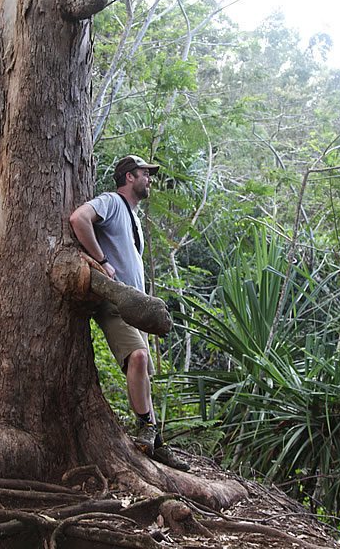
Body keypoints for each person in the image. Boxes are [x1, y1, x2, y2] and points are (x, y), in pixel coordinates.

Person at [69, 155, 190, 471]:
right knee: (137, 358)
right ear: (129, 177)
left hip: (134, 306)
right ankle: (146, 427)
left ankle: (156, 441)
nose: (149, 179)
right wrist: (101, 259)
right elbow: (78, 219)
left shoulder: (133, 217)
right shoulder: (110, 201)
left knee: (144, 369)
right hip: (115, 301)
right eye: (145, 174)